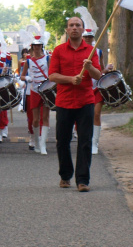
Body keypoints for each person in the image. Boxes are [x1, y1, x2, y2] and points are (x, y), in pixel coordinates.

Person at [48, 16, 102, 192]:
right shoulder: (58, 51)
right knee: (62, 141)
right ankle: (65, 176)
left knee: (85, 141)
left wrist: (89, 68)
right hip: (64, 101)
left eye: (78, 25)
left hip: (85, 101)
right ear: (67, 29)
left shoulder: (91, 51)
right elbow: (52, 76)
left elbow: (98, 76)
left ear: (82, 29)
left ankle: (82, 180)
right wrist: (71, 79)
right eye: (71, 25)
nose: (74, 28)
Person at [83, 29, 114, 154]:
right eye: (86, 37)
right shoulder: (79, 51)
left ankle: (94, 143)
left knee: (96, 114)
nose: (88, 39)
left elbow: (100, 70)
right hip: (84, 88)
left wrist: (106, 69)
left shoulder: (98, 51)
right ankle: (85, 141)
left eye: (90, 37)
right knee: (84, 117)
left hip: (97, 88)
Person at [20, 33, 50, 155]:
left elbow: (53, 73)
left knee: (45, 117)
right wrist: (27, 78)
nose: (37, 48)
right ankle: (36, 141)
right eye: (35, 46)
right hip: (33, 91)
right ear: (32, 47)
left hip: (46, 90)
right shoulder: (28, 61)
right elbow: (22, 76)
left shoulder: (48, 58)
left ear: (42, 46)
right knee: (35, 119)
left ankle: (43, 144)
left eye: (39, 45)